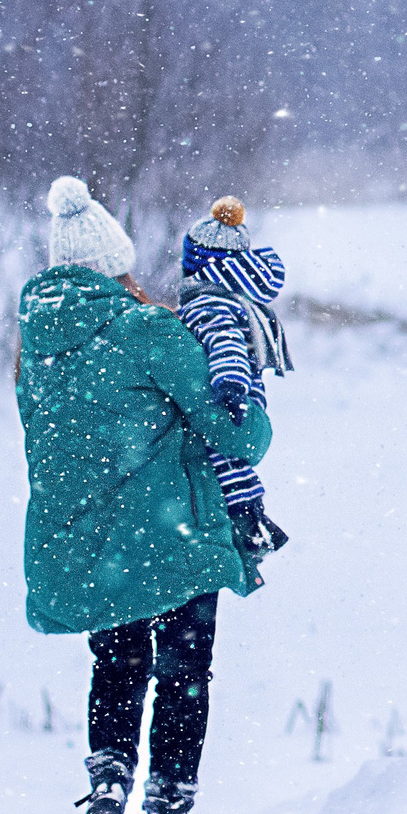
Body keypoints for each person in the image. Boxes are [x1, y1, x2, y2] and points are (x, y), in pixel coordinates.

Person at [16, 175, 271, 814]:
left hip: (90, 548)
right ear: (116, 264)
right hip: (171, 537)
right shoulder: (147, 329)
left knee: (117, 661)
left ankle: (106, 789)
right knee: (184, 669)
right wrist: (253, 399)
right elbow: (240, 437)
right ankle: (168, 807)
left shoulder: (34, 349)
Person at [175, 196, 294, 560]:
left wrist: (229, 385)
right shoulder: (230, 297)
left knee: (222, 460)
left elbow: (223, 340)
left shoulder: (208, 303)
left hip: (231, 392)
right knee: (231, 460)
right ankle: (253, 519)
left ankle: (247, 520)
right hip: (241, 389)